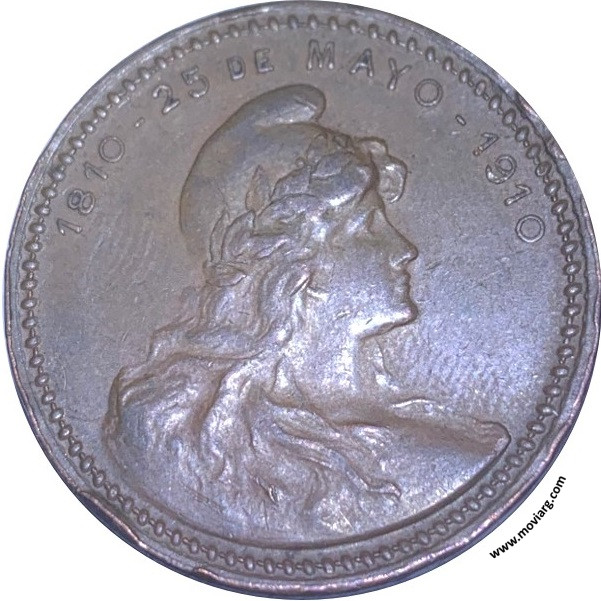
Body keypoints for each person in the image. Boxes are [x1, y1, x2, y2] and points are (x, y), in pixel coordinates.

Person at [104, 85, 509, 542]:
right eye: (369, 226)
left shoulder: (455, 450)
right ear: (293, 260)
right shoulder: (170, 440)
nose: (405, 249)